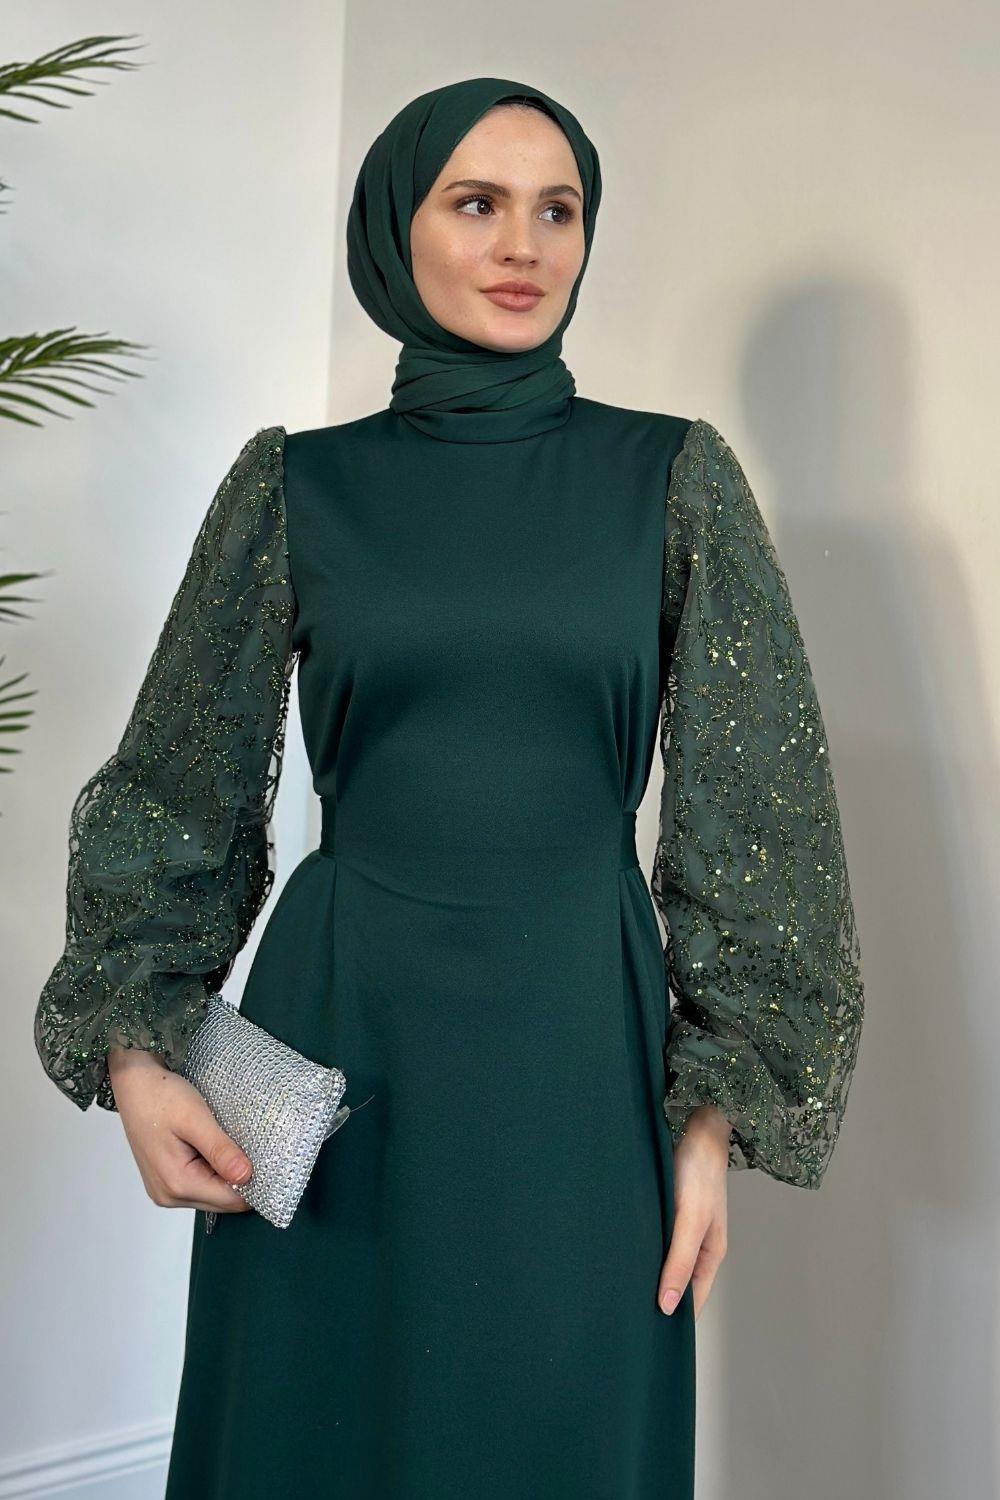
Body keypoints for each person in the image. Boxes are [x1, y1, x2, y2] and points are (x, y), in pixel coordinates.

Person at [33, 75, 865, 1499]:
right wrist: (134, 1054)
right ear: (393, 232)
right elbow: (175, 796)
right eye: (476, 204)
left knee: (559, 1437)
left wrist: (711, 1124)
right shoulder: (296, 486)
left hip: (579, 1058)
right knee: (311, 1435)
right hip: (342, 1034)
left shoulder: (672, 480)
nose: (523, 245)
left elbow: (759, 824)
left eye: (558, 209)